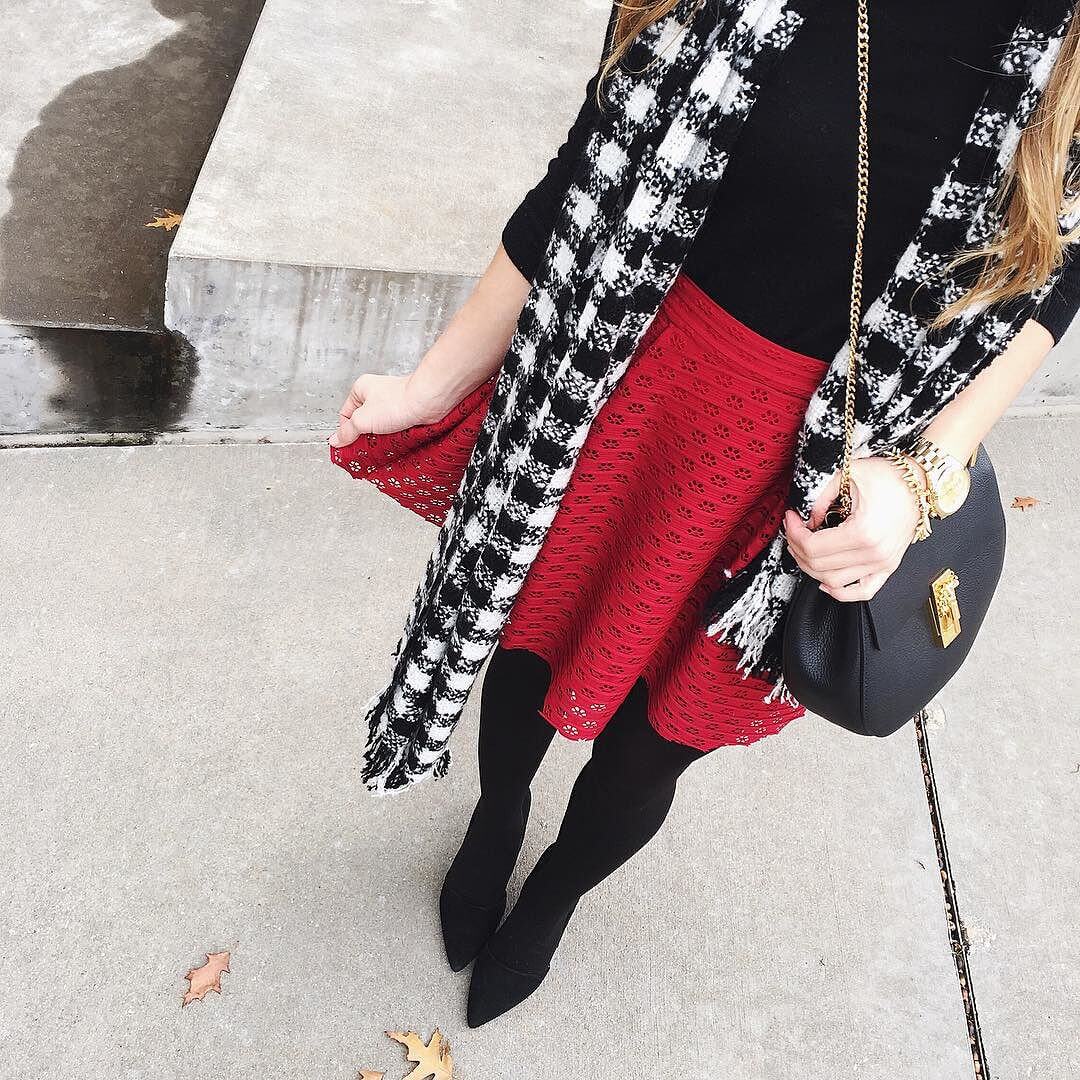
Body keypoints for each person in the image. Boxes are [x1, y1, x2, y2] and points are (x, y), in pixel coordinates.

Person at [329, 0, 1080, 1027]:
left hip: (806, 478)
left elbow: (1048, 286)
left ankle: (553, 894)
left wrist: (920, 476)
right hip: (626, 387)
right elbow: (587, 168)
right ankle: (497, 816)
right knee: (528, 655)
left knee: (657, 740)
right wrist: (429, 381)